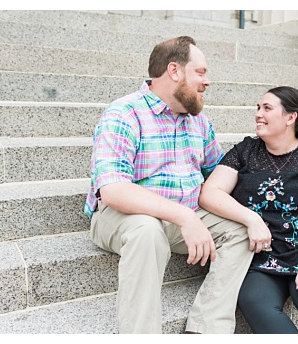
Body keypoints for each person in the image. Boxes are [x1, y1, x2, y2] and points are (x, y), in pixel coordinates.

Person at [84, 36, 253, 334]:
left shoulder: (199, 121)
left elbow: (217, 177)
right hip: (121, 217)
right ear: (174, 71)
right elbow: (112, 189)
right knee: (147, 231)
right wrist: (185, 216)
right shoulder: (124, 113)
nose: (207, 81)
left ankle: (205, 329)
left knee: (240, 230)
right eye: (200, 72)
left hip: (180, 215)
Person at [198, 86, 298, 334]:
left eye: (267, 108)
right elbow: (209, 193)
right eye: (257, 108)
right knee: (254, 300)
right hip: (262, 256)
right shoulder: (244, 152)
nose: (258, 114)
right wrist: (250, 218)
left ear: (290, 117)